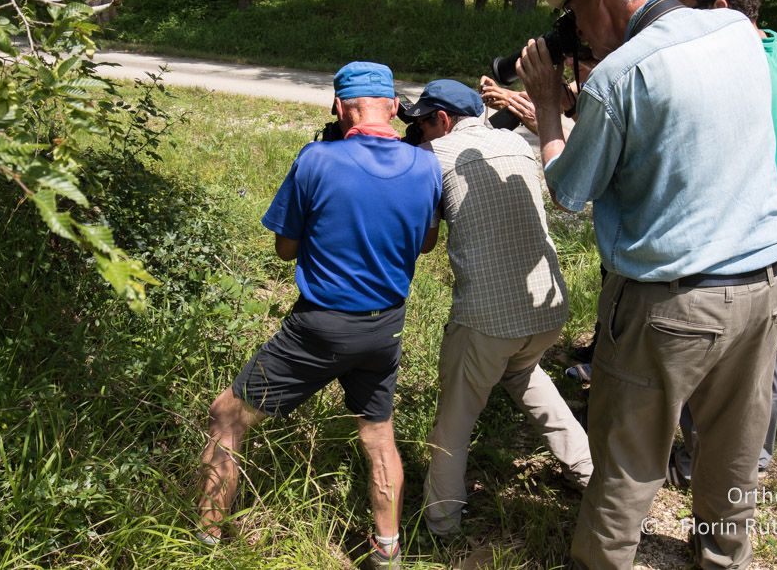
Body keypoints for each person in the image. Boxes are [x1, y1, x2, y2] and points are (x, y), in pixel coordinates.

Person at [515, 0, 777, 569]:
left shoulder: (621, 76)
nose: (575, 27)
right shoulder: (737, 35)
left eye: (574, 8)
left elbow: (570, 189)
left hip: (669, 307)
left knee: (627, 464)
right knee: (732, 449)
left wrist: (550, 108)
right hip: (762, 288)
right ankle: (723, 558)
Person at [197, 61, 442, 569]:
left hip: (320, 326)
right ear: (394, 108)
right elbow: (426, 242)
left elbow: (286, 249)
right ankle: (388, 550)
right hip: (385, 327)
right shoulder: (427, 167)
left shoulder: (315, 160)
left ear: (338, 106)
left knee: (227, 416)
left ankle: (206, 539)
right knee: (378, 437)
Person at [408, 79, 592, 537]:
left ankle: (442, 522)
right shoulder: (515, 140)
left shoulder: (434, 158)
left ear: (443, 120)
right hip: (546, 309)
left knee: (455, 416)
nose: (418, 133)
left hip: (488, 318)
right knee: (524, 374)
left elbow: (426, 242)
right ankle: (589, 473)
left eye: (421, 123)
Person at [667, 0, 777, 483]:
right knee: (771, 362)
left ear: (722, 7)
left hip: (751, 243)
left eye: (688, 13)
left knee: (710, 366)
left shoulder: (731, 67)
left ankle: (698, 459)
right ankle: (755, 458)